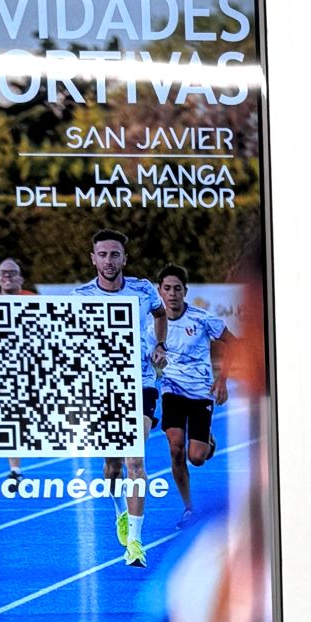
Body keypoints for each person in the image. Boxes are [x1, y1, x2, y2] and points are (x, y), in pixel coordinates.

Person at [73, 231, 166, 569]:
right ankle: (120, 513)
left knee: (134, 460)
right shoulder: (80, 296)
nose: (109, 260)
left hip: (140, 382)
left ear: (124, 258)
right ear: (93, 258)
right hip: (103, 388)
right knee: (112, 467)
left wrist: (160, 345)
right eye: (103, 254)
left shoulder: (142, 290)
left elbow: (160, 315)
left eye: (115, 254)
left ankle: (136, 544)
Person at [156, 266, 230, 526]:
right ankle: (189, 508)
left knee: (196, 458)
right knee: (175, 448)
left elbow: (233, 343)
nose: (172, 293)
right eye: (167, 288)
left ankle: (207, 439)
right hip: (171, 390)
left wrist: (222, 380)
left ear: (185, 291)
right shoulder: (153, 323)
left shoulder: (201, 319)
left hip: (200, 393)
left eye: (177, 288)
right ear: (159, 291)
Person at [0, 256, 33, 484]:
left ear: (21, 278)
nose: (7, 276)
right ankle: (15, 468)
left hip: (35, 370)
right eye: (3, 272)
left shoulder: (33, 300)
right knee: (11, 419)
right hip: (7, 374)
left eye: (12, 272)